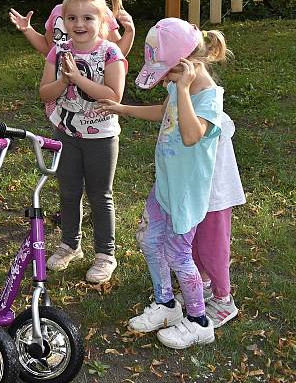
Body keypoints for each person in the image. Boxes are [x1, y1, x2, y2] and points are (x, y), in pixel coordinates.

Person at [97, 18, 230, 349]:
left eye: (168, 73)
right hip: (165, 186)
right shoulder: (177, 90)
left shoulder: (210, 98)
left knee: (178, 253)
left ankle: (199, 321)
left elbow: (190, 134)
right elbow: (166, 111)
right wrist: (123, 109)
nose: (164, 80)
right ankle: (167, 304)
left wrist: (183, 89)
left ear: (189, 65)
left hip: (186, 195)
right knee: (148, 239)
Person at [38, 0, 127, 284]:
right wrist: (64, 81)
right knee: (68, 192)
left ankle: (105, 254)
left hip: (101, 137)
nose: (79, 25)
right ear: (64, 21)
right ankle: (70, 245)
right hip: (66, 134)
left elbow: (113, 95)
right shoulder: (58, 51)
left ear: (101, 20)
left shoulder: (110, 53)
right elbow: (44, 92)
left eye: (88, 18)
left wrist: (78, 79)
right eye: (72, 18)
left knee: (100, 195)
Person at [172, 112, 244, 327]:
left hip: (215, 196)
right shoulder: (188, 107)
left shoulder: (213, 114)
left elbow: (194, 139)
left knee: (212, 250)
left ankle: (224, 300)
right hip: (196, 193)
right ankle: (202, 287)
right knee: (194, 245)